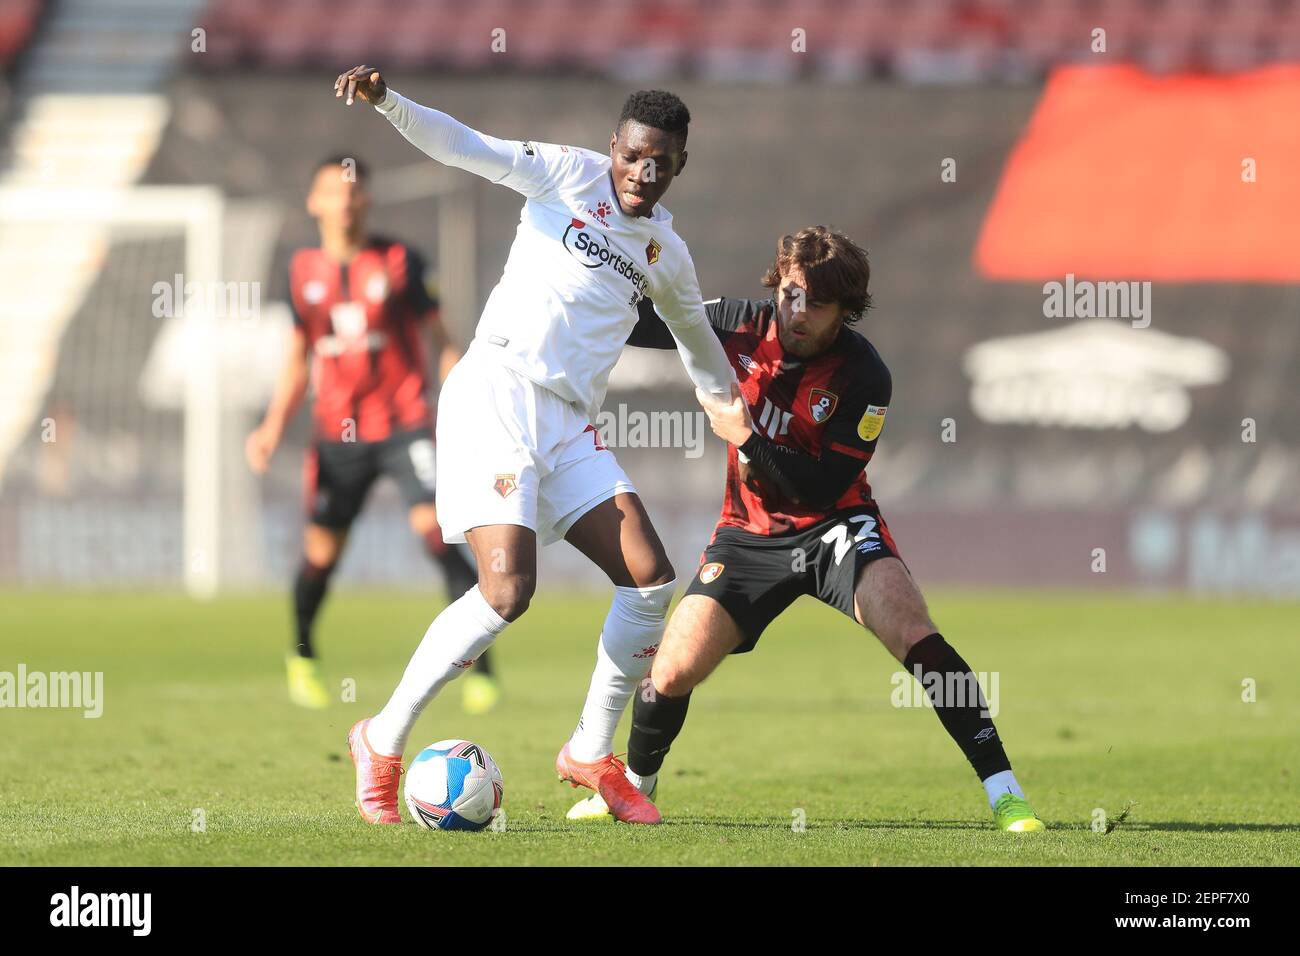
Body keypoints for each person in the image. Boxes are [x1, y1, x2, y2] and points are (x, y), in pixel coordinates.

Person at [332, 65, 738, 825]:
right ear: (612, 145)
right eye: (632, 155)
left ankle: (589, 750)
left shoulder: (665, 254)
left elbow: (696, 340)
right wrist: (388, 101)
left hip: (568, 420)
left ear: (681, 164)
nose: (643, 174)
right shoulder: (562, 175)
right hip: (497, 391)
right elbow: (464, 147)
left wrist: (729, 413)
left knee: (649, 578)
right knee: (507, 594)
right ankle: (381, 741)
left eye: (661, 163)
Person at [568, 226, 1044, 832]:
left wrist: (744, 435)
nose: (796, 311)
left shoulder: (866, 377)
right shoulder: (736, 323)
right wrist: (591, 277)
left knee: (916, 634)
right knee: (669, 671)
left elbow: (818, 487)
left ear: (846, 311)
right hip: (747, 536)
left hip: (836, 527)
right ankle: (633, 789)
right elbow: (645, 322)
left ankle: (1006, 792)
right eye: (790, 293)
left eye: (815, 303)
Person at [245, 154, 497, 715]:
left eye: (355, 190)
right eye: (334, 190)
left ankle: (480, 669)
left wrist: (460, 408)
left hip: (406, 424)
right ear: (315, 202)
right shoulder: (301, 271)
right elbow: (297, 360)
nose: (346, 200)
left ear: (368, 200)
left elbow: (444, 340)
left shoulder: (401, 261)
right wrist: (270, 428)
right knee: (320, 555)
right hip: (337, 436)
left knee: (440, 536)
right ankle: (303, 656)